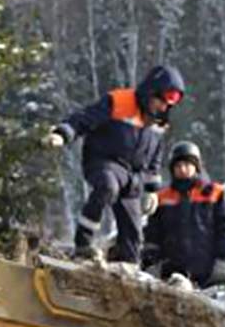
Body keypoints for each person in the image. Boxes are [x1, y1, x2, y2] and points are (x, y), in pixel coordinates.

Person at [45, 64, 187, 263]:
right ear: (149, 92)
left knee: (134, 233)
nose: (163, 108)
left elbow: (155, 158)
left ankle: (127, 268)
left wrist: (152, 190)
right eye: (160, 101)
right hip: (104, 161)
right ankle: (83, 245)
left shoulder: (159, 122)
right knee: (107, 187)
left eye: (168, 105)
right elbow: (85, 118)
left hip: (133, 177)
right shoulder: (119, 101)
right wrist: (64, 132)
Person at [141, 141, 225, 287]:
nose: (183, 169)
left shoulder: (214, 193)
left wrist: (222, 260)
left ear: (196, 167)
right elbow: (153, 232)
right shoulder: (163, 197)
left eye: (187, 165)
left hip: (209, 270)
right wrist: (151, 259)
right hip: (173, 272)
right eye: (178, 166)